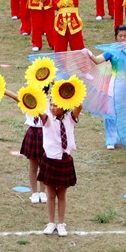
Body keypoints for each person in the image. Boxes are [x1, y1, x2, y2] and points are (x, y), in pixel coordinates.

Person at [37, 92, 82, 237]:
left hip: (64, 160)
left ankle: (61, 223)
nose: (52, 107)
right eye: (51, 104)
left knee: (62, 195)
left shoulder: (70, 118)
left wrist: (68, 93)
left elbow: (79, 106)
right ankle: (51, 223)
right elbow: (38, 111)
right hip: (50, 159)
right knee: (50, 194)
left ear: (64, 106)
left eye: (56, 105)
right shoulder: (47, 118)